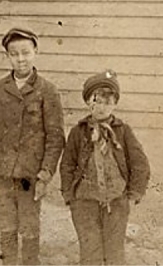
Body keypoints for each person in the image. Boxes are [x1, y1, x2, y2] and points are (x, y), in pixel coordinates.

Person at [0, 27, 64, 265]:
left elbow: (56, 137)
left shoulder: (47, 91)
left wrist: (45, 174)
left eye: (25, 52)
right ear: (7, 56)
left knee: (28, 227)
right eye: (14, 54)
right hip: (2, 173)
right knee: (6, 226)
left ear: (35, 52)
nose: (21, 59)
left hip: (30, 175)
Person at [60, 70, 150, 265]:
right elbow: (67, 164)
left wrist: (134, 194)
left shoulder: (123, 131)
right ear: (87, 102)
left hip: (117, 201)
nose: (101, 107)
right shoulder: (78, 132)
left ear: (115, 104)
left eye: (107, 102)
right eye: (97, 101)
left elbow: (139, 163)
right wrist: (69, 195)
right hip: (85, 202)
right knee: (90, 252)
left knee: (114, 252)